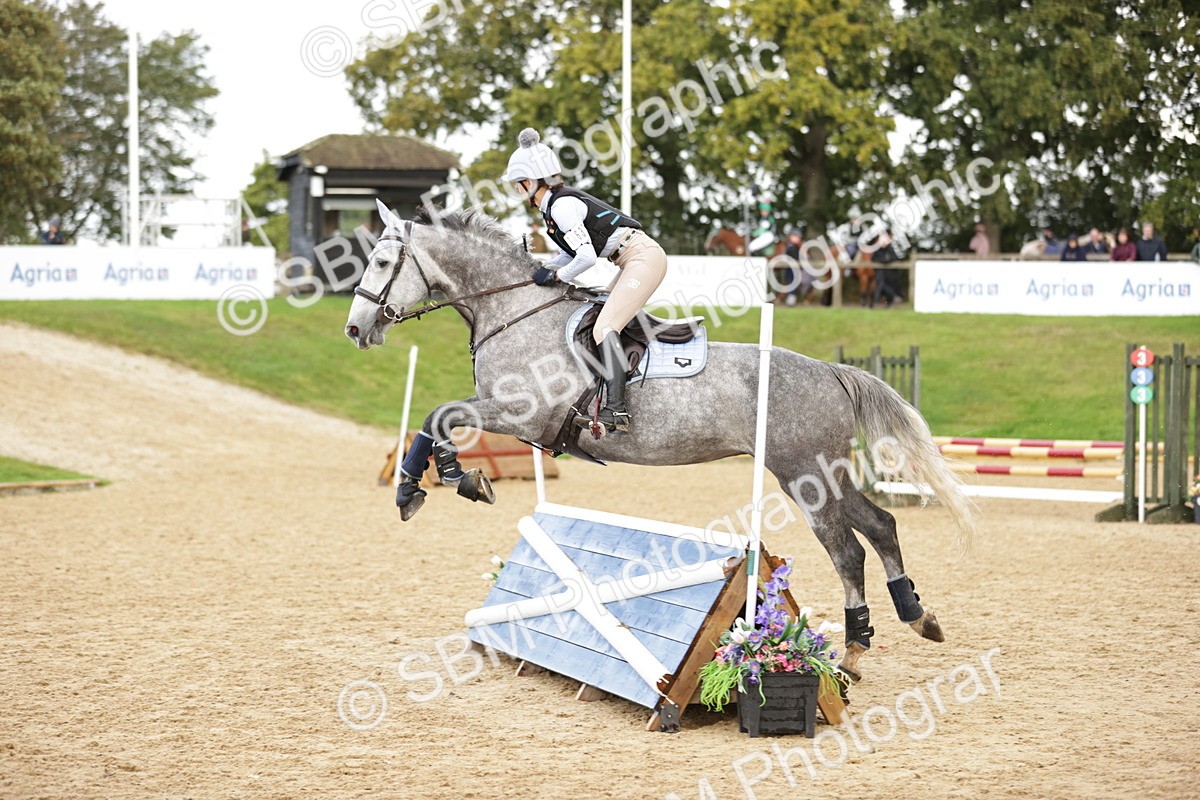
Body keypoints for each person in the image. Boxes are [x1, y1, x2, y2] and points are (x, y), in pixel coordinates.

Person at [501, 127, 666, 434]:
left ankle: (617, 411)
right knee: (598, 314)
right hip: (631, 259)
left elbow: (586, 258)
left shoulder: (562, 206)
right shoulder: (554, 208)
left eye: (518, 184)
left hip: (643, 258)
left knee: (605, 326)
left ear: (532, 181)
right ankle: (605, 393)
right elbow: (570, 255)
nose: (517, 190)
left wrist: (556, 276)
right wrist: (544, 269)